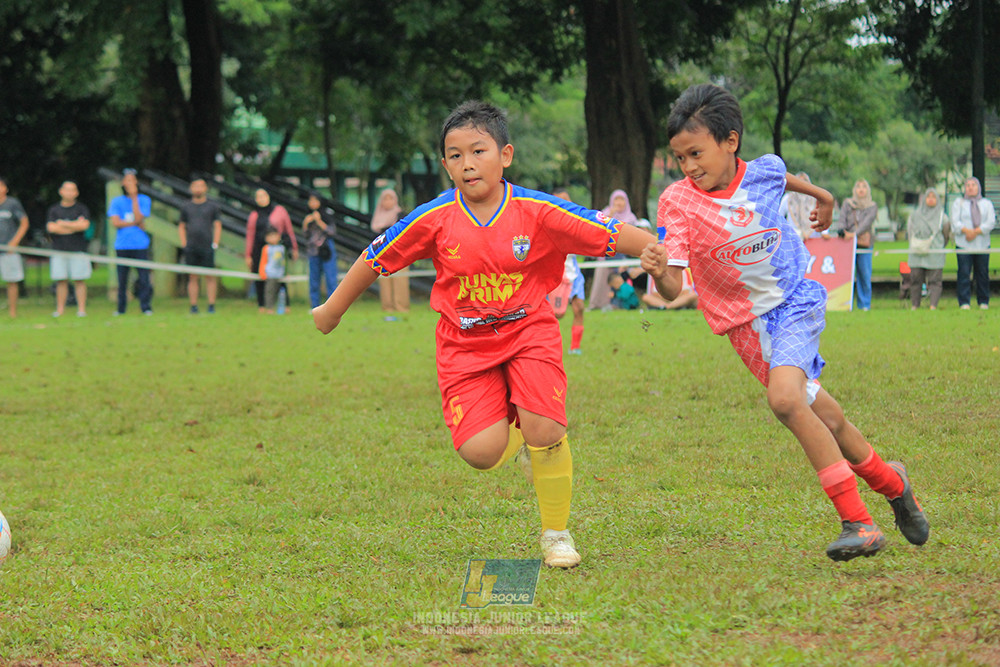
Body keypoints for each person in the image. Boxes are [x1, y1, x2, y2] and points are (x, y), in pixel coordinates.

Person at [313, 101, 657, 568]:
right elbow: (377, 257)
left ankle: (556, 533)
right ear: (444, 165)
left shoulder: (537, 210)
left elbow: (608, 232)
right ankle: (520, 439)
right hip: (464, 345)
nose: (467, 163)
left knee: (547, 426)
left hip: (529, 330)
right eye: (455, 156)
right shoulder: (433, 217)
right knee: (480, 453)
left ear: (506, 155)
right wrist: (332, 310)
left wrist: (660, 251)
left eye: (478, 151)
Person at [640, 83, 929, 562]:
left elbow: (785, 177)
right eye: (680, 158)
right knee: (828, 418)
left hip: (795, 301)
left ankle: (857, 521)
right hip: (745, 330)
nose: (688, 167)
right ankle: (894, 484)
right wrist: (659, 271)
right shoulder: (678, 203)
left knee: (785, 399)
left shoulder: (765, 171)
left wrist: (826, 200)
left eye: (696, 153)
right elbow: (672, 288)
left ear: (730, 142)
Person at [108, 168, 154, 315]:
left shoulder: (144, 200)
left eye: (132, 180)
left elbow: (140, 217)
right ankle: (121, 308)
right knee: (122, 279)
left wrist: (134, 197)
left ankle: (145, 307)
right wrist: (135, 223)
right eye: (127, 180)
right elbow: (115, 222)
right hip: (122, 245)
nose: (129, 183)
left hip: (140, 245)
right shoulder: (116, 201)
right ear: (122, 183)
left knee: (144, 278)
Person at [245, 188, 297, 312]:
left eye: (263, 195)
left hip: (277, 250)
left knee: (280, 276)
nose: (261, 198)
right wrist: (248, 254)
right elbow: (250, 235)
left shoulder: (280, 211)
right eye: (258, 196)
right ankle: (262, 304)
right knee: (260, 276)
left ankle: (285, 304)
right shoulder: (254, 215)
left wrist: (294, 247)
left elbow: (288, 230)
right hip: (260, 250)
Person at [45, 181, 92, 317]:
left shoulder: (81, 208)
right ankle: (60, 310)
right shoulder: (54, 210)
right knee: (61, 280)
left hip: (78, 250)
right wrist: (74, 226)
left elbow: (84, 226)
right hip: (59, 250)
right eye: (67, 189)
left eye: (73, 190)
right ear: (61, 191)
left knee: (80, 280)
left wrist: (63, 224)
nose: (70, 192)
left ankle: (81, 310)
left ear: (76, 192)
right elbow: (51, 228)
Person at [589, 189, 639, 311]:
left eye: (621, 199)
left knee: (619, 280)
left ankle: (618, 304)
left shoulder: (631, 217)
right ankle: (596, 304)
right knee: (601, 278)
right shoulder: (605, 213)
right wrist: (611, 214)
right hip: (605, 253)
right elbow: (599, 228)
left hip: (622, 254)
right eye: (616, 199)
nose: (619, 202)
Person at [950, 176, 995, 310]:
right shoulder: (959, 203)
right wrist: (966, 231)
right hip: (964, 244)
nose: (970, 187)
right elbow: (955, 221)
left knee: (982, 273)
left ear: (978, 187)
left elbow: (991, 222)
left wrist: (976, 232)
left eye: (973, 185)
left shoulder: (986, 203)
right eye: (968, 185)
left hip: (982, 244)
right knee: (964, 273)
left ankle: (983, 301)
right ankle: (964, 302)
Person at [178, 178, 222, 314]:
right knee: (193, 276)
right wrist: (184, 243)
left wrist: (215, 243)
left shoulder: (212, 206)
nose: (198, 188)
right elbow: (181, 226)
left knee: (210, 276)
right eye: (195, 185)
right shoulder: (186, 207)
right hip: (191, 246)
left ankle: (211, 305)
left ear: (205, 188)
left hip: (207, 246)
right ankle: (193, 306)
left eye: (201, 186)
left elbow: (217, 225)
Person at [551, 189, 586, 354]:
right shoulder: (548, 224)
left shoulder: (576, 222)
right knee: (554, 314)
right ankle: (550, 346)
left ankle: (575, 347)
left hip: (574, 273)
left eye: (567, 199)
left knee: (579, 307)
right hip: (555, 272)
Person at [369, 188, 409, 318]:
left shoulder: (401, 215)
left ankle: (401, 307)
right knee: (384, 279)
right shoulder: (377, 217)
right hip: (384, 253)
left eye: (390, 198)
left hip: (401, 252)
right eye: (385, 199)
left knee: (400, 279)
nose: (388, 201)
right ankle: (387, 307)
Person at [906, 188, 949, 310]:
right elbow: (910, 232)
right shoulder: (914, 215)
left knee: (935, 281)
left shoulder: (942, 217)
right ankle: (915, 305)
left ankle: (933, 305)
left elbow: (946, 234)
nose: (930, 199)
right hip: (917, 253)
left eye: (933, 197)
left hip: (934, 252)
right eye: (928, 196)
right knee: (915, 280)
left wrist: (938, 245)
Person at [839, 179, 878, 311]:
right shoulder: (847, 203)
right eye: (858, 187)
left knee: (864, 274)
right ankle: (843, 303)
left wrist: (854, 234)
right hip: (846, 243)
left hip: (864, 243)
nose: (861, 189)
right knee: (844, 274)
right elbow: (842, 219)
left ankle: (864, 304)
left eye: (864, 187)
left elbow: (867, 223)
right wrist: (843, 232)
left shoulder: (872, 206)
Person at [0, 176, 29, 318]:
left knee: (11, 281)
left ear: (5, 188)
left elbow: (24, 223)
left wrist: (14, 242)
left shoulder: (12, 203)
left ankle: (12, 312)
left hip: (9, 251)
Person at [303, 191, 338, 309]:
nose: (313, 203)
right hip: (313, 251)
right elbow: (305, 235)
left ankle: (333, 307)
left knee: (330, 278)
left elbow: (332, 232)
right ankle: (315, 306)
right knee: (314, 279)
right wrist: (305, 223)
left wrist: (319, 221)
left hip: (327, 250)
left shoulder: (327, 214)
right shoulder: (308, 215)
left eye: (315, 200)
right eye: (311, 201)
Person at [779, 172, 817, 241]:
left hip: (813, 237)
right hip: (793, 237)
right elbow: (779, 216)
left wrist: (824, 232)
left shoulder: (814, 199)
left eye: (804, 181)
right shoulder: (788, 198)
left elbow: (820, 216)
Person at [258, 227, 286, 314]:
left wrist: (285, 272)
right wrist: (262, 272)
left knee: (279, 292)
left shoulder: (282, 248)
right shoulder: (266, 248)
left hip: (280, 274)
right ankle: (269, 308)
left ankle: (279, 307)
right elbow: (263, 261)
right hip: (270, 274)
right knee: (269, 292)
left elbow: (283, 262)